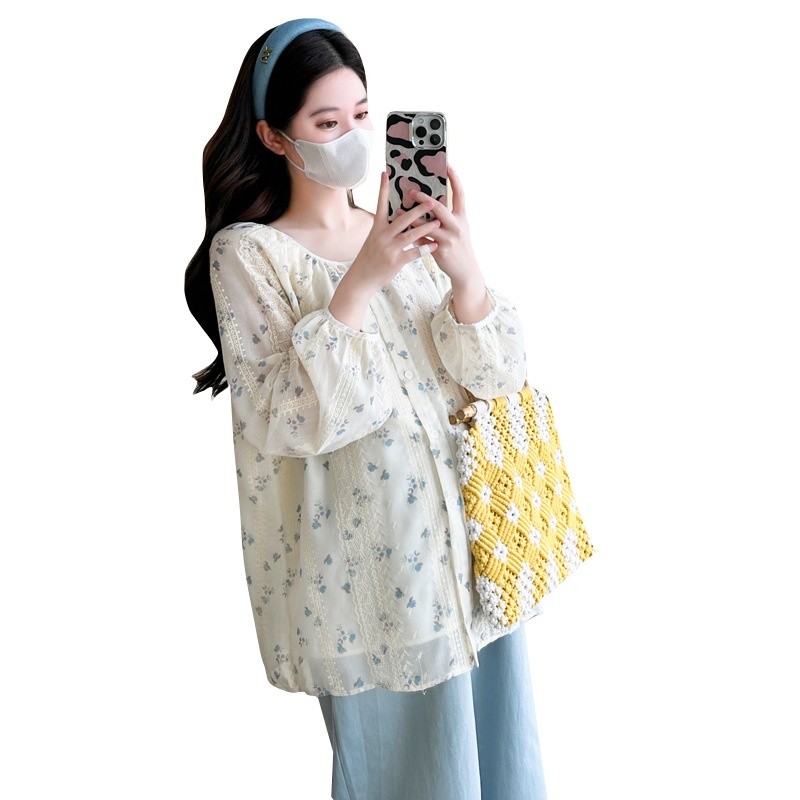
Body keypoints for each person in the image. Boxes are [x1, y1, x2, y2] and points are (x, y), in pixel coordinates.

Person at [185, 18, 547, 800]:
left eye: (360, 113)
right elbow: (289, 418)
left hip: (477, 559)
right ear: (274, 136)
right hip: (373, 586)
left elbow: (496, 381)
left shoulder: (402, 234)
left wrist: (465, 273)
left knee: (504, 771)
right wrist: (363, 279)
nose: (351, 137)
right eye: (326, 122)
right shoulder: (250, 253)